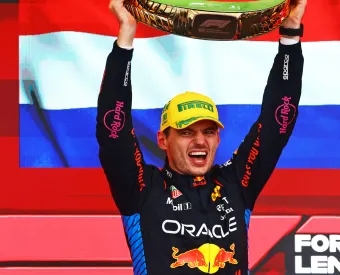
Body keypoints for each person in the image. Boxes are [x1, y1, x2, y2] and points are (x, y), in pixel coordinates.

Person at [96, 0, 306, 273]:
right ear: (163, 140)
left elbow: (279, 120)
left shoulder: (236, 184)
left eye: (208, 132)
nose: (199, 141)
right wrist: (126, 34)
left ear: (218, 138)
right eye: (186, 132)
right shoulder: (142, 191)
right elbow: (113, 131)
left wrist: (290, 32)